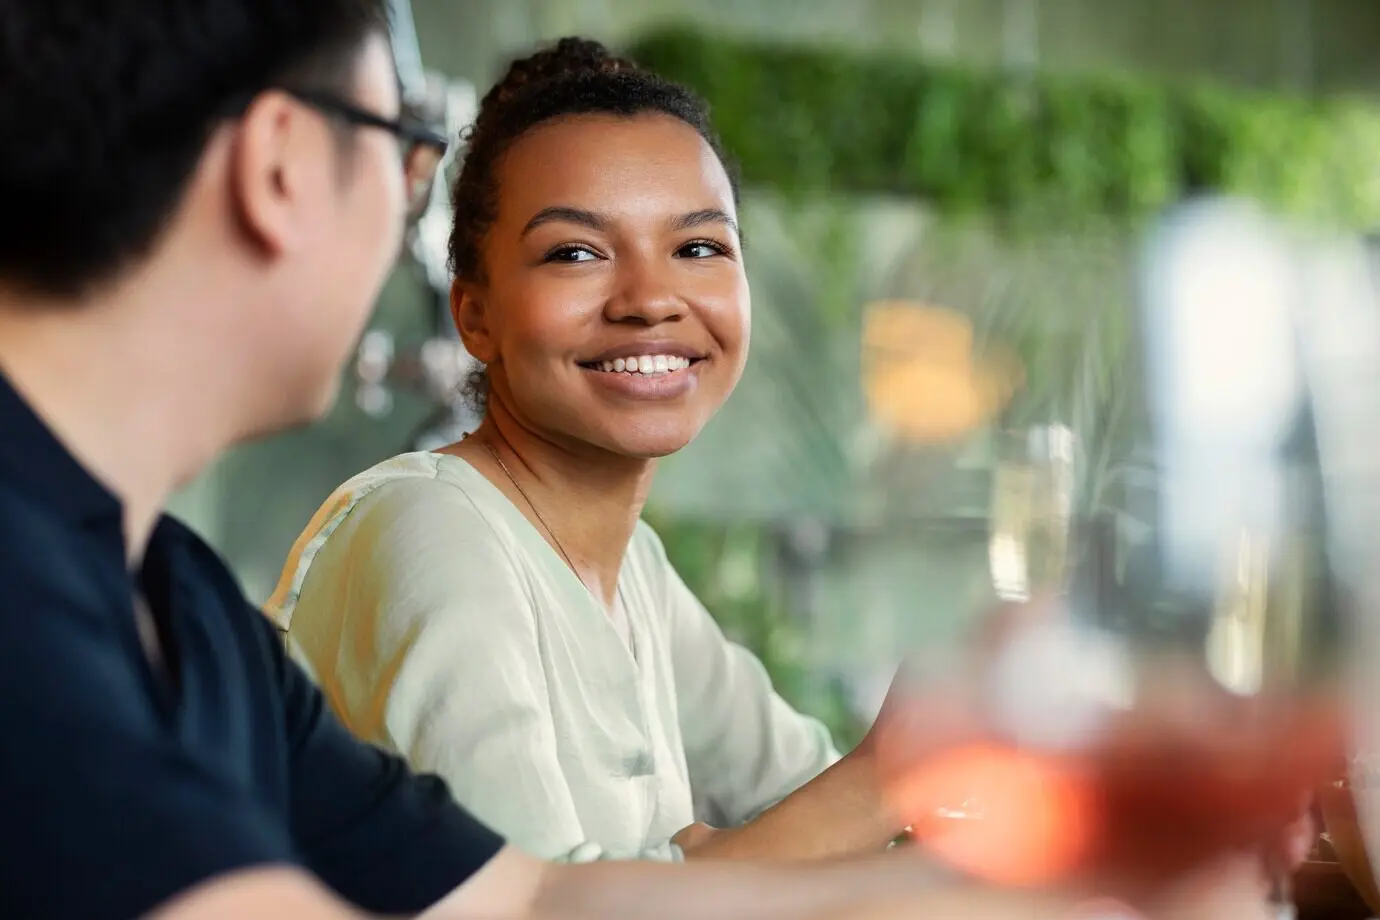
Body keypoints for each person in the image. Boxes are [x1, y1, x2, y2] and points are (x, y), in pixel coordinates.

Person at [0, 2, 1310, 918]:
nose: (652, 301)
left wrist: (1102, 879)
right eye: (403, 144)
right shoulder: (32, 592)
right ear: (283, 164)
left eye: (700, 246)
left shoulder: (174, 605)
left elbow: (535, 900)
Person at [267, 36, 903, 865]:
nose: (650, 300)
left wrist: (739, 853)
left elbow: (808, 803)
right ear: (474, 315)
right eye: (577, 253)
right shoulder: (431, 532)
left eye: (699, 247)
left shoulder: (631, 567)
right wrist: (881, 785)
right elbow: (530, 906)